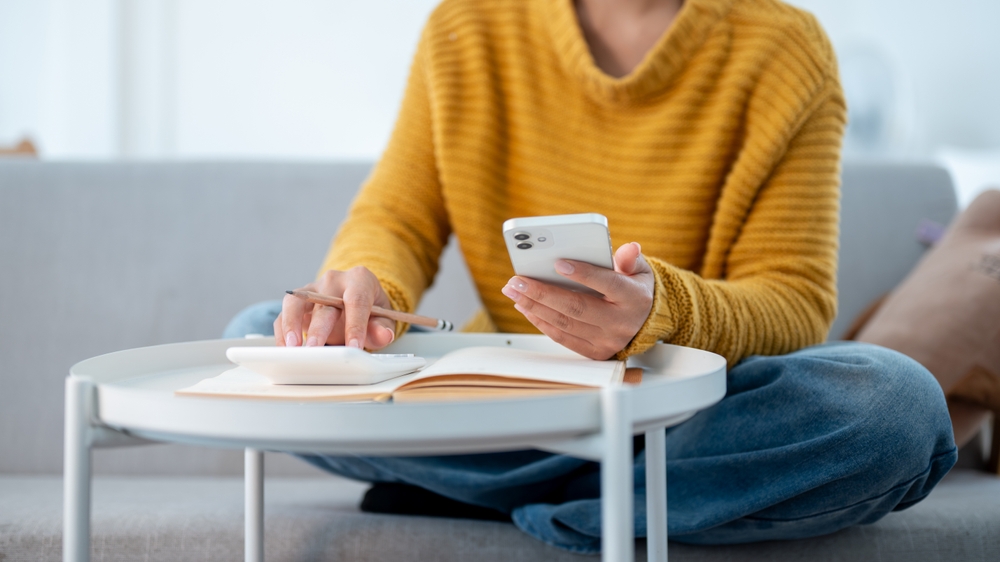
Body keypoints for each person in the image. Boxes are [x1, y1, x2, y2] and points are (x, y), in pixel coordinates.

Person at [225, 0, 956, 553]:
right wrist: (367, 288)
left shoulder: (784, 50)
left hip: (683, 419)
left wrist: (659, 312)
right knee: (262, 332)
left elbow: (793, 302)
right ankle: (628, 505)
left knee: (899, 407)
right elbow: (397, 218)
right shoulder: (468, 27)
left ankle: (528, 501)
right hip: (507, 407)